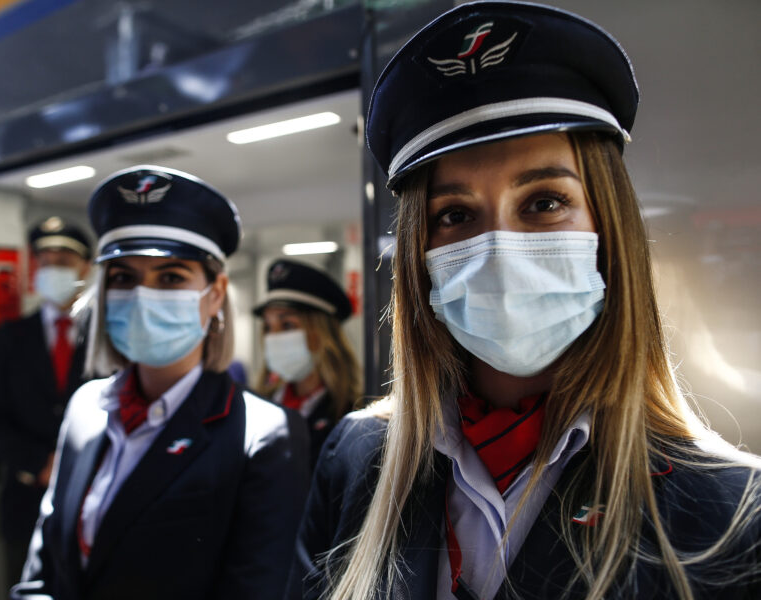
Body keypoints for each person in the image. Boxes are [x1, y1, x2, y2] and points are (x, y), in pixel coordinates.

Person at [287, 3, 761, 600]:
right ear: (417, 259)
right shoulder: (356, 459)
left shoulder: (734, 510)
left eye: (543, 202)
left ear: (607, 227)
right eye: (455, 215)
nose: (498, 251)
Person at [12, 166, 309, 600]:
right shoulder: (85, 408)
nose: (141, 296)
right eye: (123, 278)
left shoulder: (265, 436)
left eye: (170, 277)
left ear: (215, 293)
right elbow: (43, 573)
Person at [0, 217, 92, 584]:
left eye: (64, 262)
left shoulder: (107, 338)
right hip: (25, 503)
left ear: (85, 268)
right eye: (45, 262)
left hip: (92, 502)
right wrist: (38, 463)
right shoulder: (9, 339)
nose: (53, 270)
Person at [253, 259, 361, 465]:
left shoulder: (352, 416)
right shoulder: (259, 407)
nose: (273, 337)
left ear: (321, 333)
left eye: (287, 325)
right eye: (268, 327)